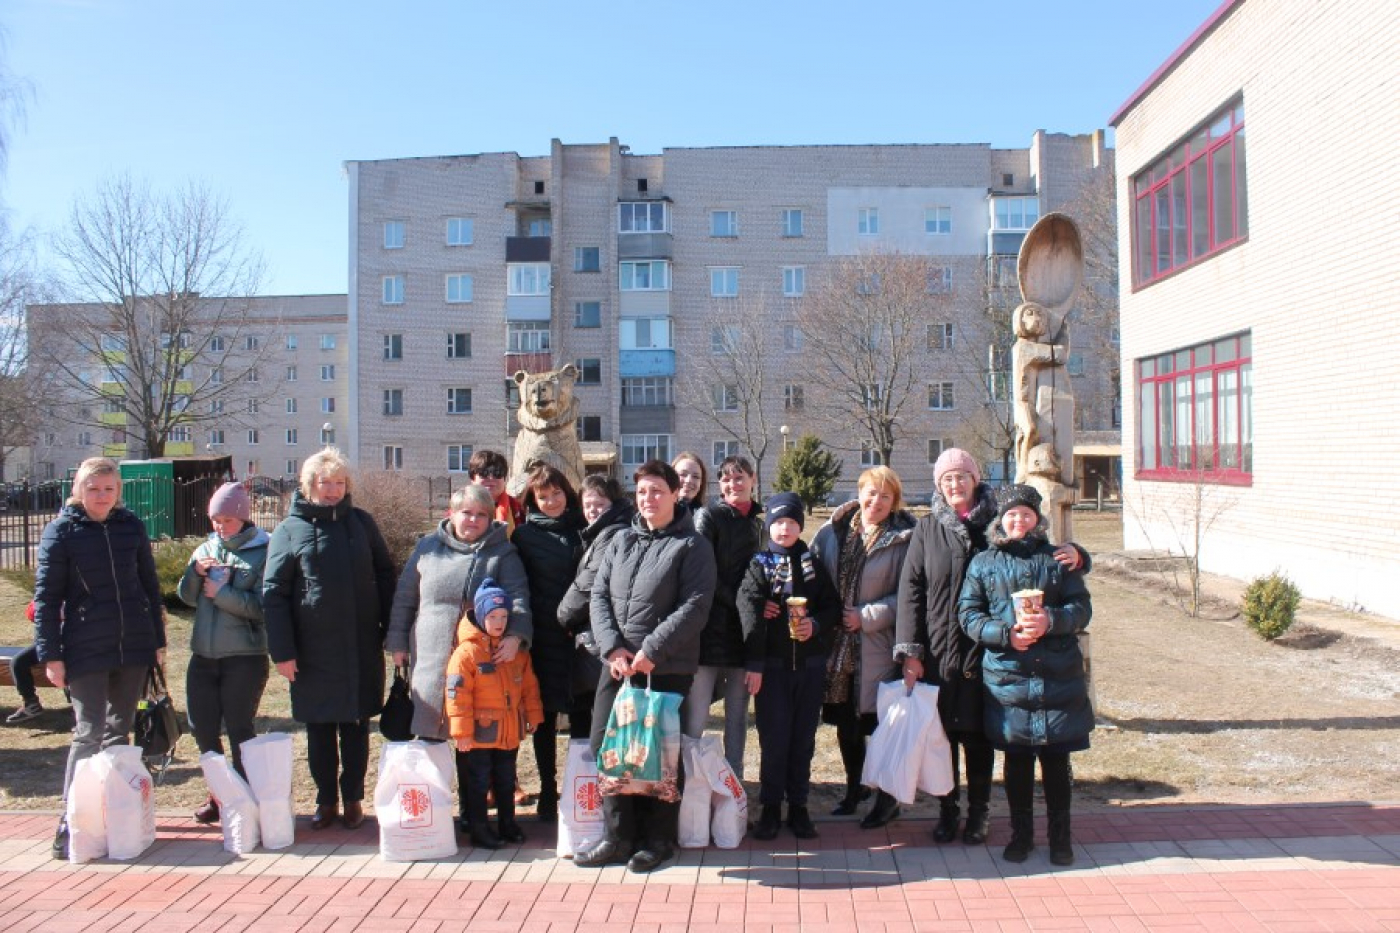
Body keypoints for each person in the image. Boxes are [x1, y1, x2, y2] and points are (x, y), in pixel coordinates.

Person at [896, 449, 1089, 846]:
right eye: (947, 479)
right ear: (938, 485)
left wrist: (1080, 555)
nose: (955, 485)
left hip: (989, 652)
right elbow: (910, 591)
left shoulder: (997, 518)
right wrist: (911, 651)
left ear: (975, 478)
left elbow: (1039, 552)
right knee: (941, 737)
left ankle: (979, 813)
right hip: (941, 647)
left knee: (979, 735)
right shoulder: (927, 528)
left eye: (962, 476)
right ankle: (948, 810)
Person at [575, 460, 716, 874]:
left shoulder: (692, 546)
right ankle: (618, 838)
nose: (649, 499)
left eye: (657, 491)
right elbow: (598, 596)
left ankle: (657, 840)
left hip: (665, 666)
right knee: (609, 746)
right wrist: (613, 648)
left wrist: (653, 650)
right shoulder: (620, 540)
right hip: (618, 665)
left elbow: (695, 606)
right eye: (641, 492)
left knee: (657, 754)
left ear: (675, 494)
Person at [34, 457, 165, 860]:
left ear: (118, 492)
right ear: (78, 490)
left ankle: (110, 816)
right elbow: (47, 600)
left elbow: (148, 584)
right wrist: (51, 656)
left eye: (109, 489)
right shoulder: (61, 532)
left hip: (132, 647)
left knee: (118, 733)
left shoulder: (131, 527)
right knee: (88, 732)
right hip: (85, 648)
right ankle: (71, 820)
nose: (101, 496)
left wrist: (157, 641)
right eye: (94, 489)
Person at [959, 484, 1092, 866]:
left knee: (1056, 762)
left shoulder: (1057, 560)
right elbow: (968, 614)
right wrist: (1004, 635)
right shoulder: (984, 562)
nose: (1019, 521)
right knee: (1016, 762)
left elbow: (1080, 608)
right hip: (1007, 676)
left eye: (1026, 514)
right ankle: (1021, 836)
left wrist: (1052, 620)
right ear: (1001, 520)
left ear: (1037, 519)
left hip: (1056, 676)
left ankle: (1060, 838)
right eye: (1012, 515)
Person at [263, 448, 395, 831]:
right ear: (309, 486)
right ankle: (326, 800)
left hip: (359, 645)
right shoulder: (290, 530)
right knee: (320, 727)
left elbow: (385, 574)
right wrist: (283, 652)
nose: (333, 491)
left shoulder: (361, 523)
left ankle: (353, 797)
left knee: (356, 725)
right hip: (312, 650)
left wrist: (390, 629)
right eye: (325, 483)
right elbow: (274, 593)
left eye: (339, 483)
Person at [387, 483, 532, 830]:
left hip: (481, 665)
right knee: (432, 735)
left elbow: (518, 599)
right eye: (467, 512)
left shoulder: (503, 554)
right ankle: (432, 813)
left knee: (473, 742)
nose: (474, 520)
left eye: (482, 515)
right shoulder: (426, 548)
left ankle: (473, 814)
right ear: (452, 514)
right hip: (431, 658)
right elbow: (405, 598)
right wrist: (397, 642)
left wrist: (516, 636)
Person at [811, 465, 916, 828]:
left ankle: (887, 799)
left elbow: (908, 594)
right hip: (837, 646)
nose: (876, 501)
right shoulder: (832, 532)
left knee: (880, 726)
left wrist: (867, 616)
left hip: (877, 645)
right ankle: (854, 789)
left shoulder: (904, 539)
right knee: (846, 724)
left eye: (885, 496)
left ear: (894, 501)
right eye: (871, 492)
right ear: (859, 492)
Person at [738, 493, 840, 841]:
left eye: (792, 522)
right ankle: (769, 807)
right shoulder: (760, 563)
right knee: (774, 738)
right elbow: (747, 606)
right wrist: (755, 661)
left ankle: (798, 806)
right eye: (778, 522)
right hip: (773, 667)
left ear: (800, 526)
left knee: (803, 739)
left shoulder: (812, 562)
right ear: (769, 527)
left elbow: (833, 607)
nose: (785, 529)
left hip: (809, 667)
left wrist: (816, 624)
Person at [177, 481, 271, 825]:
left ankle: (243, 796)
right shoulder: (205, 549)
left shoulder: (264, 551)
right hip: (203, 654)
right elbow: (186, 597)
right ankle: (217, 795)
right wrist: (194, 572)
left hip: (244, 656)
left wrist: (222, 593)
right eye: (215, 520)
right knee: (202, 728)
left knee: (239, 728)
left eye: (227, 520)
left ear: (243, 518)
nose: (220, 526)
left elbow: (264, 606)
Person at [509, 464, 584, 822]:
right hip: (543, 636)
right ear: (533, 500)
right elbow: (518, 586)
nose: (551, 501)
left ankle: (581, 784)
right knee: (544, 718)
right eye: (543, 496)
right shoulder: (524, 537)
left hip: (582, 636)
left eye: (557, 493)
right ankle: (548, 788)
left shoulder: (583, 529)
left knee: (583, 713)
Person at [446, 578, 544, 850]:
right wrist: (462, 732)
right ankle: (479, 828)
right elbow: (457, 696)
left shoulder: (516, 652)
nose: (499, 622)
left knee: (505, 780)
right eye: (492, 616)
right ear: (479, 615)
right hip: (480, 733)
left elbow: (529, 686)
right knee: (478, 783)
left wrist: (533, 715)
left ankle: (507, 823)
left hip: (509, 731)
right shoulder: (467, 653)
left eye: (503, 616)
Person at [686, 455, 761, 778]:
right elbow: (705, 572)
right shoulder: (709, 516)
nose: (734, 484)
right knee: (696, 716)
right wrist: (744, 603)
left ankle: (735, 785)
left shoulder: (762, 520)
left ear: (753, 479)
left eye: (740, 477)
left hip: (746, 635)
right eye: (727, 479)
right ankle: (687, 782)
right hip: (710, 632)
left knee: (737, 716)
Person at [557, 475, 634, 740]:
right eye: (587, 504)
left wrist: (563, 616)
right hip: (595, 637)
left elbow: (588, 584)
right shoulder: (599, 532)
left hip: (600, 641)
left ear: (612, 504)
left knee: (597, 718)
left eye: (599, 504)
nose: (592, 510)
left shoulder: (614, 533)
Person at [469, 449, 526, 536]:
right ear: (472, 478)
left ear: (504, 479)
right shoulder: (462, 506)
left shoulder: (516, 507)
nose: (491, 478)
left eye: (497, 473)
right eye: (484, 473)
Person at [6, 606, 45, 723]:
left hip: (71, 639)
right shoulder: (47, 592)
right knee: (18, 662)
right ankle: (31, 703)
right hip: (45, 640)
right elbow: (31, 613)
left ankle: (79, 711)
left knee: (70, 666)